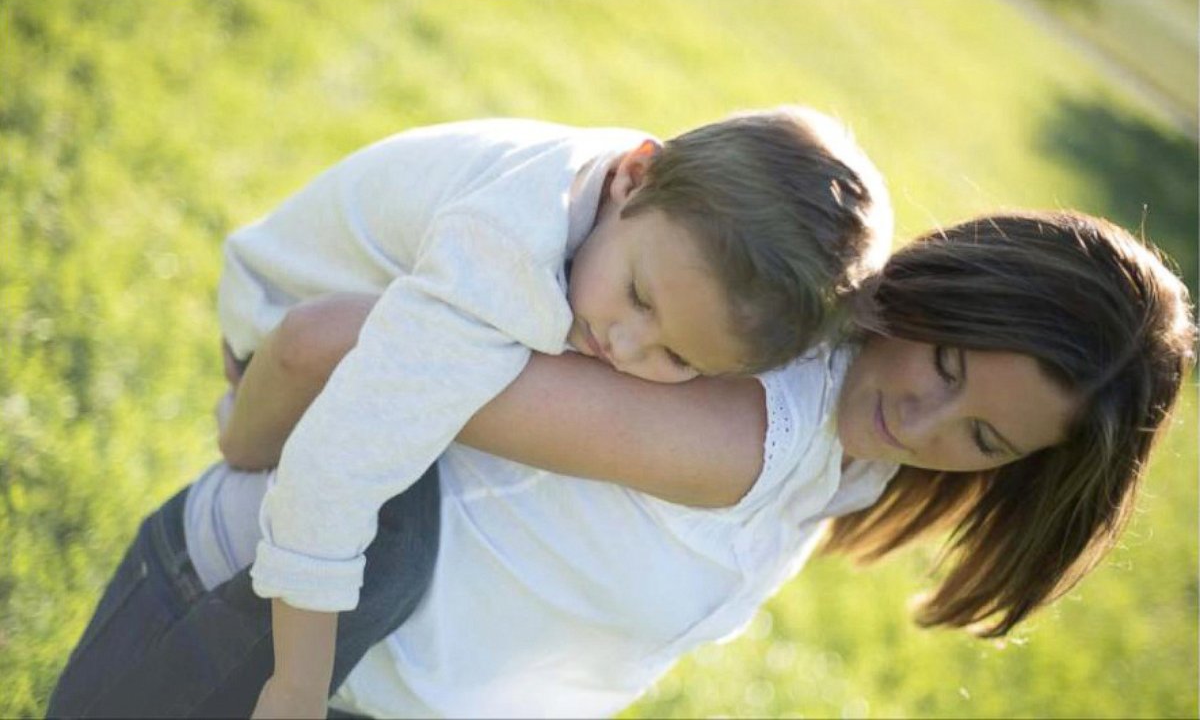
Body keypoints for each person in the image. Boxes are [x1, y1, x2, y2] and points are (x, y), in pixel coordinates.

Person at [47, 211, 1195, 717]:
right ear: (939, 286)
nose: (924, 414)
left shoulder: (859, 458)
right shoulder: (744, 426)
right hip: (250, 651)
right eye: (943, 358)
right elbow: (344, 339)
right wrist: (242, 428)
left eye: (984, 438)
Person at [46, 107, 892, 718]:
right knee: (391, 543)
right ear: (634, 176)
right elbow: (334, 451)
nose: (627, 350)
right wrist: (294, 687)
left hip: (363, 319)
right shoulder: (507, 258)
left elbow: (808, 152)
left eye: (679, 358)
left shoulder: (658, 227)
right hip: (279, 311)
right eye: (637, 296)